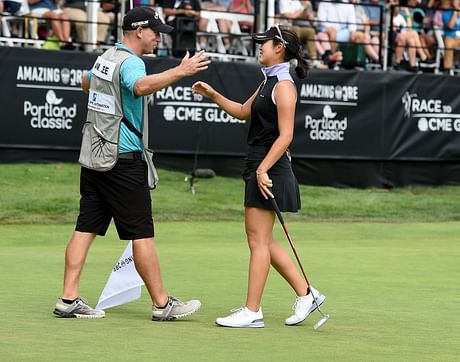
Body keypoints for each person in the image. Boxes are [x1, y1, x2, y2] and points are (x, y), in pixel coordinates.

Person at [53, 6, 211, 320]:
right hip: (123, 161)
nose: (158, 39)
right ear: (139, 30)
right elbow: (140, 86)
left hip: (95, 157)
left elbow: (86, 83)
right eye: (155, 32)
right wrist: (181, 71)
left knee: (85, 228)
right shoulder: (131, 62)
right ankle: (163, 305)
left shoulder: (106, 58)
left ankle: (68, 299)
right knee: (141, 234)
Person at [192, 25, 325, 328]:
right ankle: (307, 294)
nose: (259, 47)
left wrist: (263, 169)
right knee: (262, 239)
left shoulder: (284, 85)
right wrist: (213, 94)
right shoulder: (268, 79)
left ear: (279, 46)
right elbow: (242, 111)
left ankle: (252, 311)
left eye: (263, 43)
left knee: (257, 240)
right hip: (260, 163)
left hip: (270, 166)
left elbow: (287, 136)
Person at [442, 0, 460, 73]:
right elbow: (450, 26)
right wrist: (455, 12)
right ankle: (447, 69)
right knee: (448, 44)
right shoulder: (446, 13)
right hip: (451, 37)